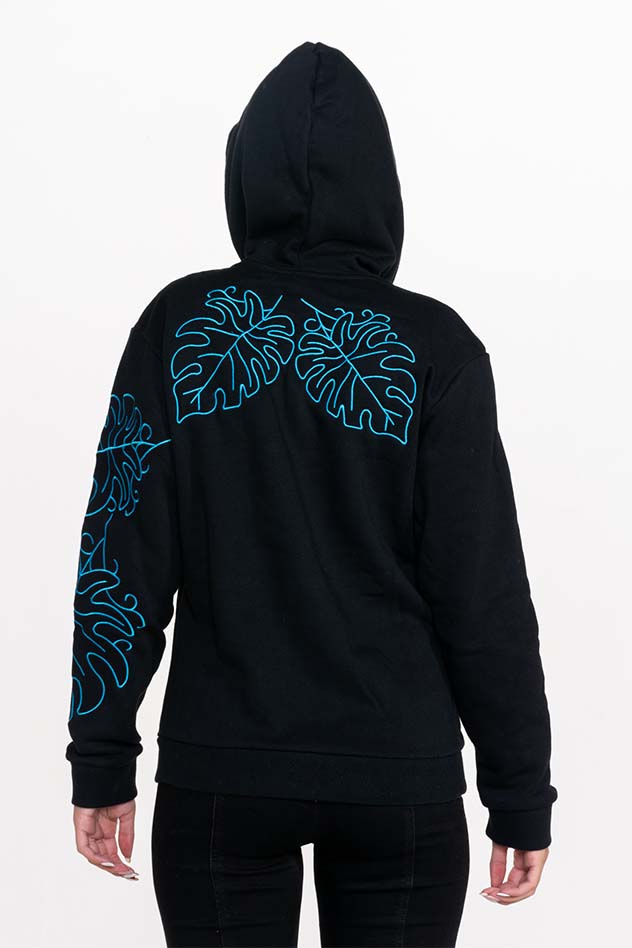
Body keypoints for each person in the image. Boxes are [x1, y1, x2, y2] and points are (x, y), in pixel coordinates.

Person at [66, 40, 558, 948]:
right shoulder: (437, 346)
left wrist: (101, 756)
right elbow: (483, 591)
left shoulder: (181, 326)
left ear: (244, 174)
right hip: (398, 779)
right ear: (382, 186)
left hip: (223, 776)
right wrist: (519, 793)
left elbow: (121, 559)